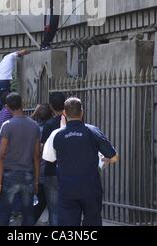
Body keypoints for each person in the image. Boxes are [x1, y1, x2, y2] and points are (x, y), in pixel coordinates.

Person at [42, 97, 119, 226]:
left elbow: (49, 158)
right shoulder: (93, 131)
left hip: (67, 189)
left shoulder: (57, 134)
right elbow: (114, 157)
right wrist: (106, 160)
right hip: (91, 188)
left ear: (65, 113)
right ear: (82, 112)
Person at [0, 93, 40, 226]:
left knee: (4, 213)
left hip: (9, 175)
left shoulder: (7, 125)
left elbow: (1, 155)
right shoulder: (34, 126)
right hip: (28, 175)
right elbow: (37, 155)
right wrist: (36, 181)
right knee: (28, 214)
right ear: (22, 104)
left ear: (7, 107)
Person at [41, 92, 66, 226]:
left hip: (52, 170)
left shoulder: (49, 124)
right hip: (69, 170)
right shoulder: (73, 121)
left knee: (54, 209)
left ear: (51, 106)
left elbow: (43, 148)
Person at [30, 103, 54, 224]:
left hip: (37, 171)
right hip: (50, 170)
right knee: (54, 208)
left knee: (37, 205)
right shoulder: (54, 128)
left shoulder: (33, 129)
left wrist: (34, 112)